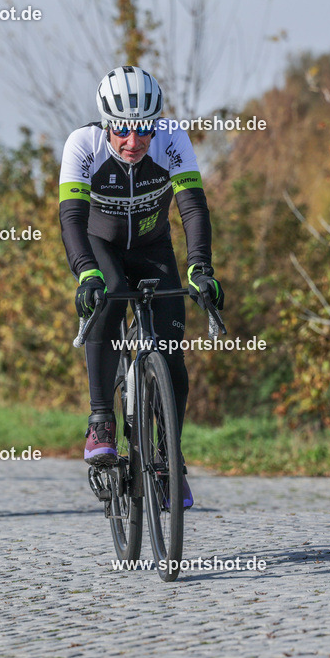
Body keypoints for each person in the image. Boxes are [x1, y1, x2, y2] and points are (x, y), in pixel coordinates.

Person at [58, 66, 225, 508]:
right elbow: (72, 217)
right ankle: (101, 420)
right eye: (123, 131)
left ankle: (170, 458)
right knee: (109, 294)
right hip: (102, 246)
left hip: (154, 246)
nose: (133, 142)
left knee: (171, 348)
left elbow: (191, 206)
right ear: (107, 125)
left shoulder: (173, 138)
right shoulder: (83, 144)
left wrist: (200, 268)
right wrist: (85, 272)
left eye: (144, 130)